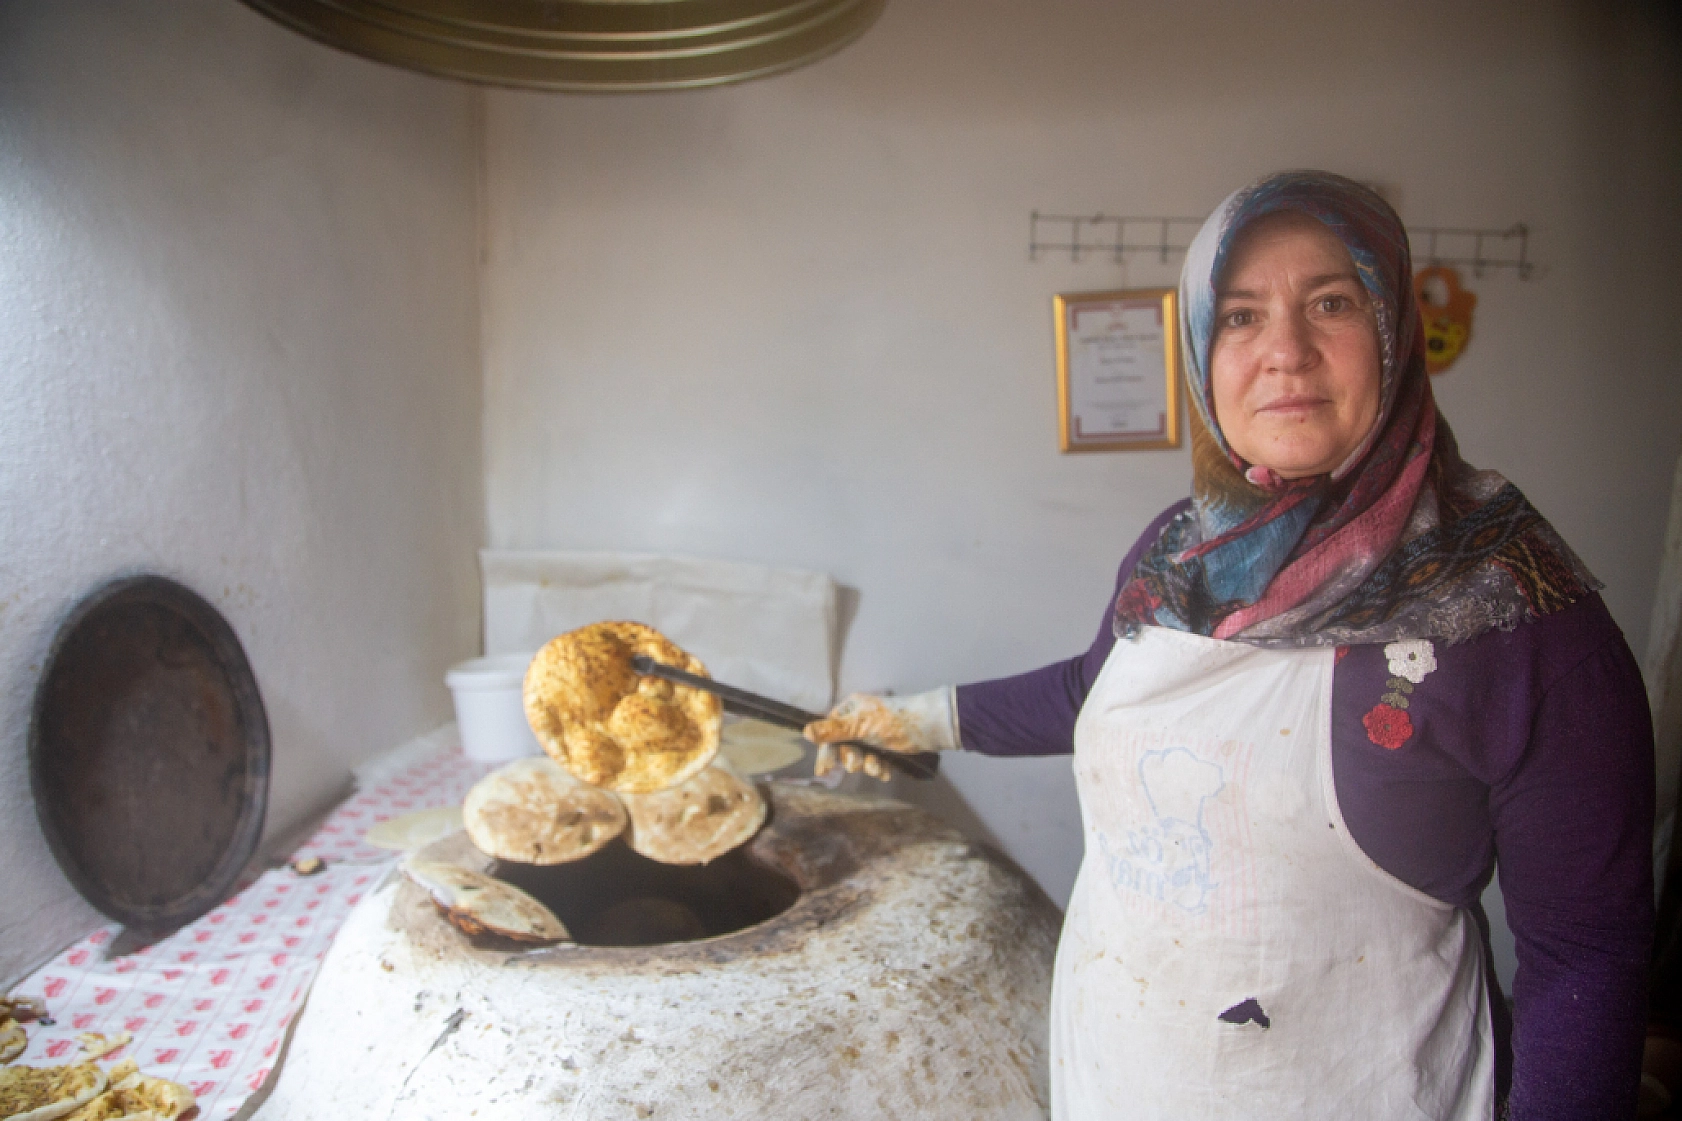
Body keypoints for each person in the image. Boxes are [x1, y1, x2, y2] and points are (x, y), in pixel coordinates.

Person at [804, 171, 1655, 1119]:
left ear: (1394, 330)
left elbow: (1588, 954)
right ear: (1204, 350)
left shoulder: (1517, 608)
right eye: (1243, 315)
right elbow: (1092, 689)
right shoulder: (1183, 552)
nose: (1285, 351)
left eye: (1331, 302)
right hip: (1119, 1080)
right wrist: (913, 719)